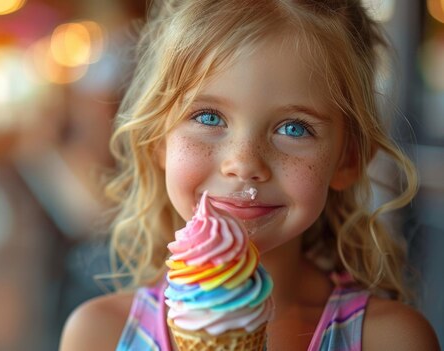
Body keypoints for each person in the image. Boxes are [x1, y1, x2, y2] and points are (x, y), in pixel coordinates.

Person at [60, 0, 441, 350]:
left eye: (293, 128)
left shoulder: (390, 340)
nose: (243, 163)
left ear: (348, 159)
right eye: (208, 117)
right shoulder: (99, 334)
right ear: (159, 139)